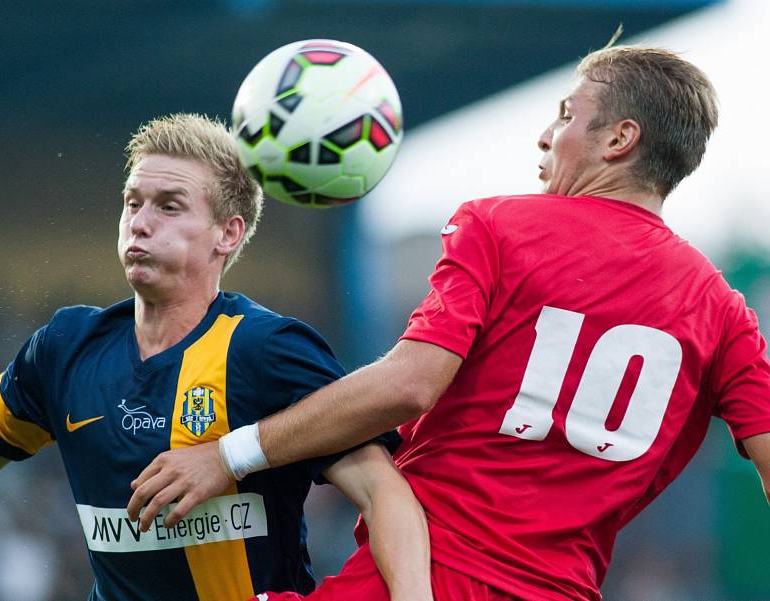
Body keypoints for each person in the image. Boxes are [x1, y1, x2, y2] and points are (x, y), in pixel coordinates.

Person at [128, 45, 770, 601]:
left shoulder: (501, 225)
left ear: (618, 140)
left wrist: (230, 454)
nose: (547, 136)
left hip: (428, 574)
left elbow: (411, 385)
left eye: (568, 116)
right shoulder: (723, 312)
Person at [0, 113, 433, 601]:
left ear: (228, 234)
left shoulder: (267, 350)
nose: (141, 223)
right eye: (133, 203)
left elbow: (384, 494)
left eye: (169, 207)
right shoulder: (64, 347)